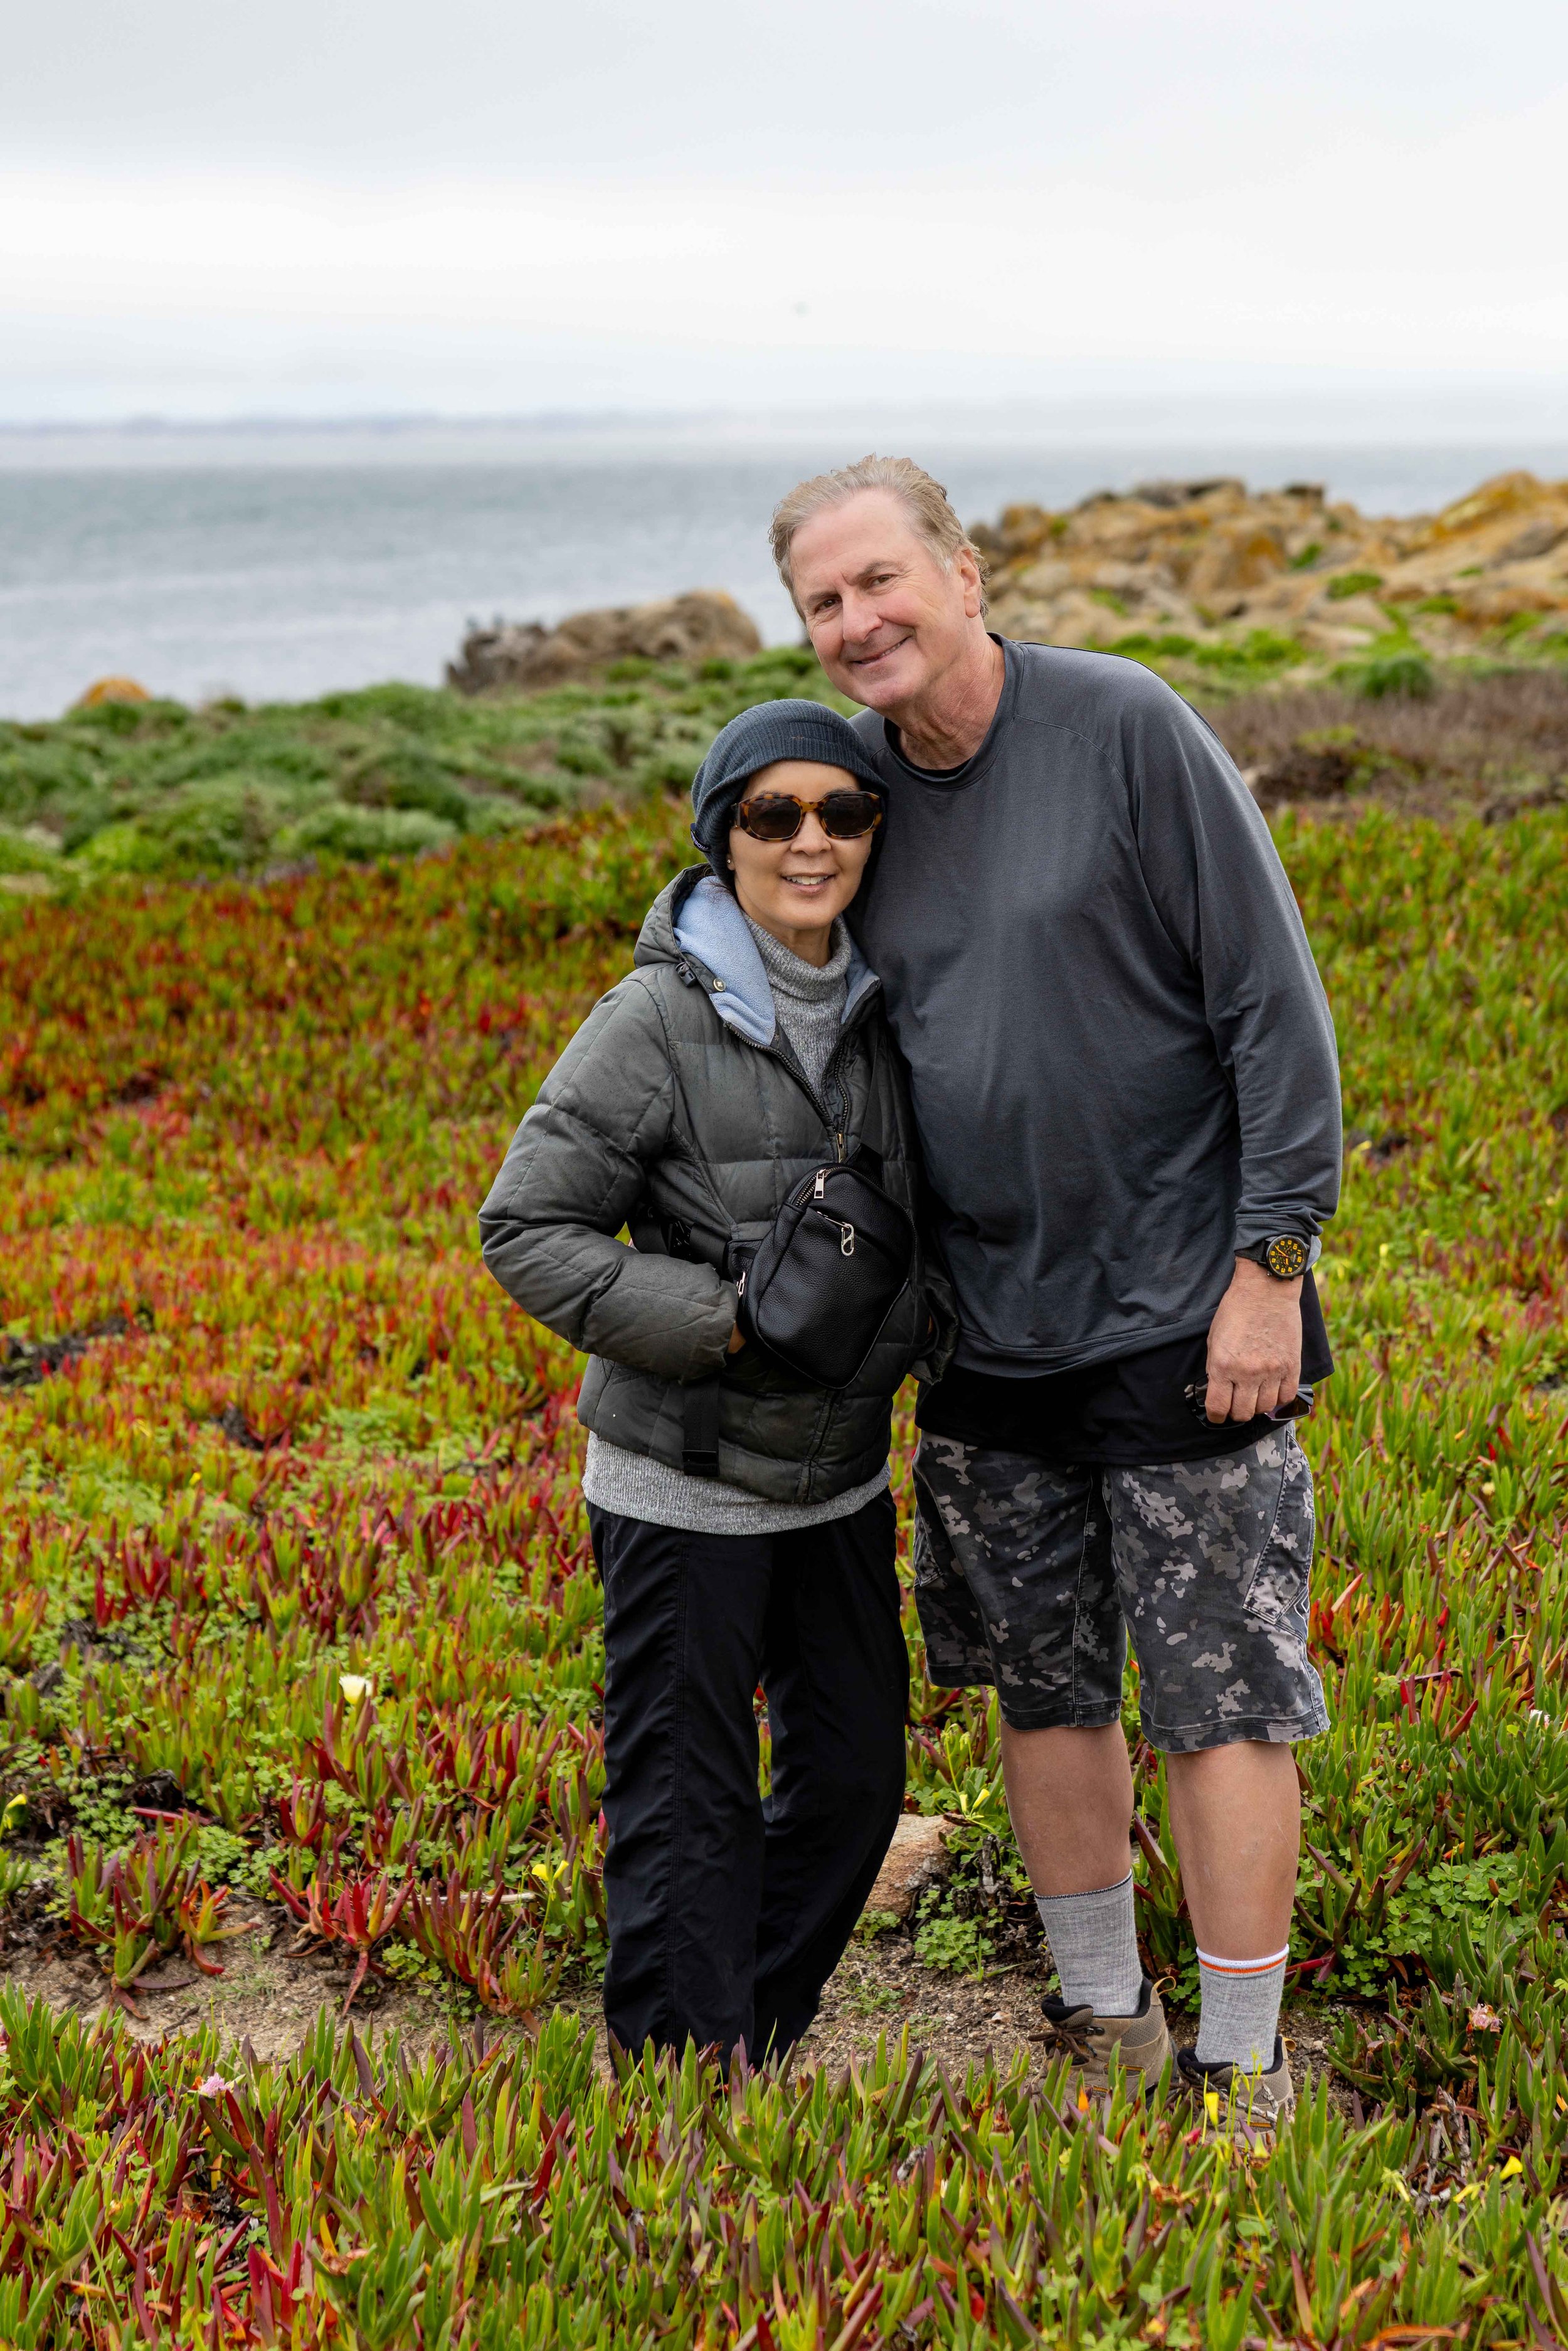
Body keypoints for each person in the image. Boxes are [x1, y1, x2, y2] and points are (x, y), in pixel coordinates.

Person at [767, 455, 1342, 2125]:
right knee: (1048, 1684)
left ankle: (1241, 2063)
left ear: (961, 570)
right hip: (981, 1332)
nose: (859, 619)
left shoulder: (1124, 727)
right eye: (823, 599)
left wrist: (1269, 1270)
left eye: (881, 579)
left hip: (1187, 1313)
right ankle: (1105, 2018)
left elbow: (1271, 1012)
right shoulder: (845, 796)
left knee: (1222, 1691)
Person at [479, 701, 953, 2064]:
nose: (810, 840)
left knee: (856, 1782)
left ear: (873, 831)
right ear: (722, 835)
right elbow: (524, 1225)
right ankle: (679, 2090)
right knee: (686, 1802)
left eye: (841, 811)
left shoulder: (888, 1002)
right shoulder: (652, 1017)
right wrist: (723, 1321)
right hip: (679, 1479)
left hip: (838, 1476)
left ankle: (729, 2037)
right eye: (771, 814)